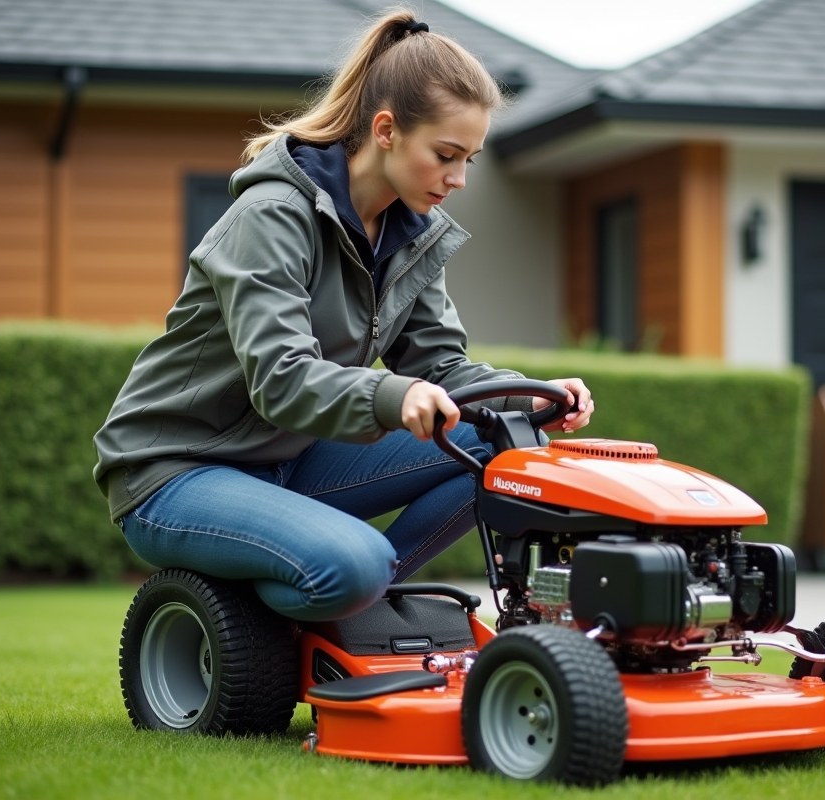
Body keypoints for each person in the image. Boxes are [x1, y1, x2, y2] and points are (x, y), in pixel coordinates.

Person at [92, 10, 594, 622]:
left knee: (510, 453)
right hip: (177, 471)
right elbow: (281, 378)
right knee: (353, 562)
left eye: (470, 159)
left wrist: (529, 397)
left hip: (289, 462)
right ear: (386, 130)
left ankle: (353, 600)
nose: (458, 178)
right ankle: (318, 597)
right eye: (445, 155)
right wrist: (391, 393)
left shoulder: (412, 234)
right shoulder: (273, 214)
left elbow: (440, 367)